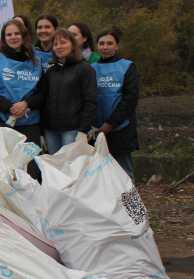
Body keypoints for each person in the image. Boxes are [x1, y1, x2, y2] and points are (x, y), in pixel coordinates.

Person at [0, 19, 44, 145]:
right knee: (4, 164)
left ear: (24, 36)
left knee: (29, 164)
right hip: (3, 122)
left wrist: (26, 104)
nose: (13, 37)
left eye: (17, 34)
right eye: (9, 35)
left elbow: (44, 92)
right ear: (4, 38)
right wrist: (10, 107)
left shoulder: (37, 61)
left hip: (30, 124)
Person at [37, 28, 98, 154]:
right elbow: (44, 102)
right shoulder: (51, 72)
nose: (59, 47)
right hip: (50, 131)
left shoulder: (85, 69)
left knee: (72, 170)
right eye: (55, 44)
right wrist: (41, 131)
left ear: (73, 45)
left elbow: (91, 102)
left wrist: (82, 131)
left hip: (73, 131)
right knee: (55, 171)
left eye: (63, 42)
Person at [91, 30, 139, 180]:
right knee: (99, 174)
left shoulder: (127, 66)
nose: (105, 47)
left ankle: (129, 203)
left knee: (123, 173)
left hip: (120, 128)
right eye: (101, 43)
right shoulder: (90, 69)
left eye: (110, 43)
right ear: (97, 46)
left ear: (117, 46)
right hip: (95, 130)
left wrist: (110, 124)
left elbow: (130, 99)